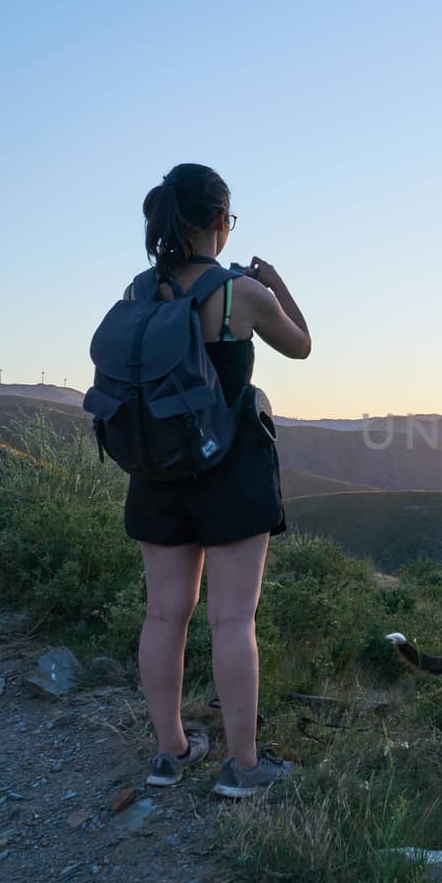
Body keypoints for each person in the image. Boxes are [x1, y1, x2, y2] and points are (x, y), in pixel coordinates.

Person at [123, 162, 311, 798]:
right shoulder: (240, 294)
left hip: (158, 470)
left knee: (162, 615)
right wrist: (275, 281)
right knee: (232, 622)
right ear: (218, 223)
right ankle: (244, 767)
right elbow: (303, 345)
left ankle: (170, 752)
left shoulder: (139, 291)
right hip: (230, 471)